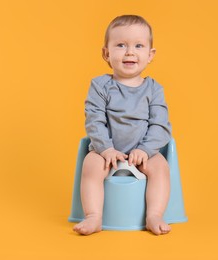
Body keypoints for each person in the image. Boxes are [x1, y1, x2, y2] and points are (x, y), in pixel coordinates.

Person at [73, 15, 172, 235]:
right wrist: (105, 149)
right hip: (106, 150)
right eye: (120, 45)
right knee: (91, 165)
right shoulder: (100, 86)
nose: (129, 52)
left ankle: (154, 214)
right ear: (106, 54)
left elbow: (161, 126)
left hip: (144, 152)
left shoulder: (154, 89)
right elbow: (94, 120)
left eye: (138, 45)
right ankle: (94, 216)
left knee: (161, 168)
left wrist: (144, 150)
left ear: (150, 55)